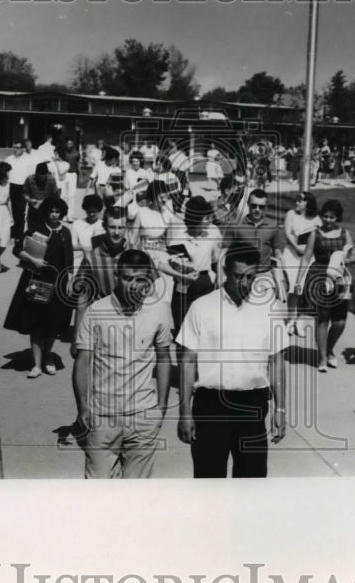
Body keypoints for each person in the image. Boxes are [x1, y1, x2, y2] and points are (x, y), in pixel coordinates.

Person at [176, 242, 288, 478]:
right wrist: (184, 411)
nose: (245, 284)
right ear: (225, 271)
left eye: (251, 277)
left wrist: (281, 409)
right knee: (209, 482)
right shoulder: (202, 307)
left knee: (252, 484)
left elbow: (277, 360)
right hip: (211, 406)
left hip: (253, 406)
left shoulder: (269, 308)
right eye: (239, 277)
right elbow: (187, 361)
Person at [73, 249, 172, 479]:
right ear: (117, 275)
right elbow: (83, 361)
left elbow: (164, 357)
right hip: (104, 416)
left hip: (143, 416)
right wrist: (83, 407)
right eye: (127, 278)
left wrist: (162, 405)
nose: (132, 285)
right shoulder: (96, 311)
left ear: (149, 279)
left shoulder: (159, 310)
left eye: (140, 279)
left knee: (136, 495)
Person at [4, 196, 74, 379]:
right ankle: (36, 364)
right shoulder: (36, 229)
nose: (54, 215)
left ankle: (48, 357)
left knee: (53, 323)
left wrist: (70, 280)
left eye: (57, 211)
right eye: (51, 211)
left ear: (62, 213)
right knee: (36, 323)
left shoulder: (65, 232)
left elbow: (69, 259)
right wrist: (33, 260)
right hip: (37, 280)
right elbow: (17, 249)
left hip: (58, 282)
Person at [298, 199, 355, 372]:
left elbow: (354, 256)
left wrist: (344, 259)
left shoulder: (345, 233)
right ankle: (322, 357)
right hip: (319, 277)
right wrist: (298, 281)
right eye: (325, 216)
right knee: (322, 318)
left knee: (339, 321)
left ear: (337, 217)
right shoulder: (315, 233)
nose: (328, 220)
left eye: (332, 217)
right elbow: (306, 257)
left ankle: (329, 348)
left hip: (339, 278)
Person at [166, 196, 221, 333]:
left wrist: (217, 282)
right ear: (196, 219)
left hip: (205, 285)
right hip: (183, 287)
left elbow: (215, 261)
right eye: (206, 218)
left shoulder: (212, 235)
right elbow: (175, 267)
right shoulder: (178, 240)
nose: (209, 221)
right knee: (183, 329)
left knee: (205, 327)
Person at [72, 205, 129, 333]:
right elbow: (82, 298)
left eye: (121, 227)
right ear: (104, 227)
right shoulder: (91, 258)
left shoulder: (136, 255)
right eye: (112, 227)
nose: (116, 232)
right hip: (100, 325)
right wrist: (77, 336)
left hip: (130, 325)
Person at [278, 191, 320, 335]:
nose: (297, 202)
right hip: (291, 253)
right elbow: (287, 233)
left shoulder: (316, 219)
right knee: (294, 288)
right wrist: (296, 247)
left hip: (308, 256)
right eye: (297, 199)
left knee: (304, 288)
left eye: (301, 200)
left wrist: (308, 250)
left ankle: (300, 320)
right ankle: (290, 319)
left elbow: (319, 238)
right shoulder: (291, 214)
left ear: (308, 202)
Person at [221, 187, 280, 274]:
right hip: (242, 274)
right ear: (248, 204)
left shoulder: (273, 226)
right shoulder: (235, 226)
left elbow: (277, 253)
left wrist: (282, 274)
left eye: (261, 207)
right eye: (254, 206)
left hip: (265, 274)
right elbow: (224, 252)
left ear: (266, 207)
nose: (257, 209)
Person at [22, 161, 60, 232]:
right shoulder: (29, 179)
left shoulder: (51, 179)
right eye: (38, 176)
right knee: (32, 230)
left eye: (43, 177)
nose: (41, 179)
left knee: (45, 230)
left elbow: (56, 195)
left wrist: (47, 202)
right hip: (33, 209)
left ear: (46, 174)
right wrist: (30, 200)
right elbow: (25, 194)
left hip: (46, 210)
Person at [4, 142, 30, 241]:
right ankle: (14, 232)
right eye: (14, 147)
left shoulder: (28, 159)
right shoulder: (9, 159)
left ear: (23, 149)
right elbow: (4, 173)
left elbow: (31, 174)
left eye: (18, 148)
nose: (16, 149)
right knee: (14, 210)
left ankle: (19, 234)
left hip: (23, 187)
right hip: (12, 185)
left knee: (21, 211)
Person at [59, 136, 82, 220]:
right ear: (66, 144)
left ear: (73, 145)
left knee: (71, 195)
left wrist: (80, 175)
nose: (69, 145)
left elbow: (78, 164)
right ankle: (63, 214)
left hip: (73, 175)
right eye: (68, 144)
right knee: (63, 195)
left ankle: (70, 215)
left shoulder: (76, 153)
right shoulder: (63, 153)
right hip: (64, 174)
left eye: (71, 144)